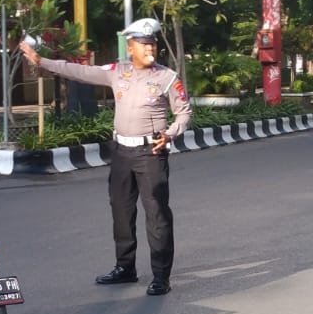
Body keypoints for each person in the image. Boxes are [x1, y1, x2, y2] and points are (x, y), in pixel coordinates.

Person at [21, 17, 191, 296]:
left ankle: (161, 275)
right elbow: (79, 71)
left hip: (151, 153)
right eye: (144, 44)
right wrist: (41, 61)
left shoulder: (167, 77)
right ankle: (125, 268)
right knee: (121, 212)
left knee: (157, 215)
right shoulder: (116, 72)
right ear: (131, 46)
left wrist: (171, 133)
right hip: (122, 152)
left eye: (153, 44)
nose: (150, 49)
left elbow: (184, 112)